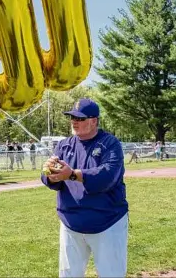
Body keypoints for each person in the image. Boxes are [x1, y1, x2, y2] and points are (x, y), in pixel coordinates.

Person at [41, 98, 129, 278]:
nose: (74, 121)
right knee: (68, 275)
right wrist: (49, 172)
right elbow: (51, 180)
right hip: (71, 223)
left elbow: (107, 176)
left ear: (94, 121)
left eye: (80, 118)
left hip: (107, 223)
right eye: (72, 117)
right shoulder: (64, 145)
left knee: (111, 274)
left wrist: (72, 174)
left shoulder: (110, 144)